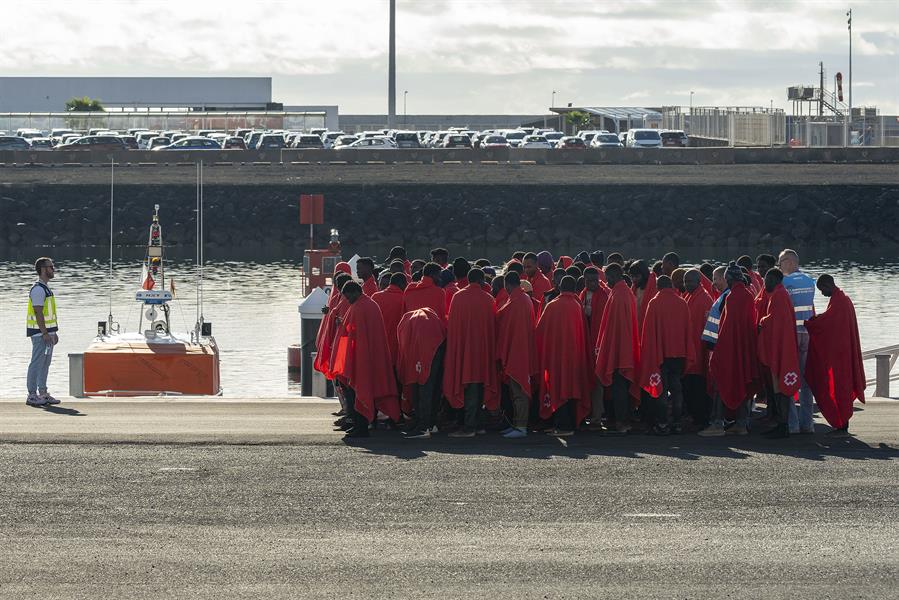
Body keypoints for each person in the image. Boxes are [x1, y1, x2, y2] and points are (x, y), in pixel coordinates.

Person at [329, 281, 401, 439]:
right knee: (364, 390)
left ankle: (361, 427)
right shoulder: (370, 305)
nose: (348, 300)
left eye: (348, 296)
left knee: (358, 391)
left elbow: (354, 334)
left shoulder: (360, 307)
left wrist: (341, 326)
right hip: (371, 356)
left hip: (362, 358)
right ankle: (363, 424)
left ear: (355, 292)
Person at [804, 275, 866, 437]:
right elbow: (831, 320)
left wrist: (812, 323)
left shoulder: (840, 301)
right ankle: (841, 424)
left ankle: (842, 426)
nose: (822, 293)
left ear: (827, 284)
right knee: (839, 387)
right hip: (842, 351)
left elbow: (829, 323)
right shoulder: (841, 299)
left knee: (841, 388)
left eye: (822, 290)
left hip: (841, 355)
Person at [702, 263, 759, 436]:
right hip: (745, 347)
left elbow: (727, 328)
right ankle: (741, 424)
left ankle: (718, 424)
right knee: (742, 381)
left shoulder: (732, 297)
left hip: (730, 348)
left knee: (720, 382)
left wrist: (718, 351)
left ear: (728, 278)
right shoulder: (749, 295)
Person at [443, 268, 498, 438]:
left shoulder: (458, 297)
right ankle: (477, 424)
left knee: (471, 387)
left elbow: (452, 325)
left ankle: (469, 427)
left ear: (467, 280)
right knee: (479, 385)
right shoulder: (489, 299)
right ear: (481, 282)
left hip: (463, 349)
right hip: (483, 351)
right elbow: (493, 327)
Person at [536, 276, 591, 436]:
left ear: (560, 287)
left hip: (557, 356)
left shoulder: (552, 306)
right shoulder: (577, 305)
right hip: (574, 356)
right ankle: (572, 424)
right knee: (572, 388)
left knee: (559, 388)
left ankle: (563, 427)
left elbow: (539, 331)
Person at [638, 275, 693, 435]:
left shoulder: (654, 303)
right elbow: (687, 330)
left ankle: (662, 423)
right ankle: (677, 422)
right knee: (677, 389)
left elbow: (647, 332)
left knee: (661, 390)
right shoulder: (682, 302)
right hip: (679, 354)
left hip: (661, 354)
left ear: (658, 287)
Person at [594, 263, 640, 434]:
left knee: (619, 387)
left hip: (620, 350)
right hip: (624, 348)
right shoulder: (624, 291)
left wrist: (609, 350)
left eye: (607, 279)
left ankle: (622, 422)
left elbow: (615, 328)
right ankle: (623, 421)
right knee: (622, 387)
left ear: (613, 276)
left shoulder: (619, 294)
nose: (607, 282)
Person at [757, 268, 802, 439]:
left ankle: (782, 425)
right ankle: (781, 423)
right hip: (783, 347)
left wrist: (762, 321)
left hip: (780, 349)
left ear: (775, 279)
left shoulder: (778, 296)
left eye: (767, 279)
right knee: (779, 389)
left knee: (780, 389)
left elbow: (775, 319)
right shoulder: (780, 294)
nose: (764, 283)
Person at [496, 271, 539, 439]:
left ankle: (521, 426)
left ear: (507, 285)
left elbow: (502, 320)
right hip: (522, 349)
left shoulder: (514, 301)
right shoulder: (524, 299)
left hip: (516, 351)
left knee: (518, 390)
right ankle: (517, 423)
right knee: (518, 390)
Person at [778, 249, 816, 434]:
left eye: (781, 262)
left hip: (793, 335)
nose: (779, 266)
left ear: (791, 262)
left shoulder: (784, 282)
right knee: (806, 382)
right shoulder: (811, 281)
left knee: (789, 377)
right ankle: (808, 424)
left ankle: (793, 425)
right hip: (808, 334)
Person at [396, 308, 447, 439]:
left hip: (424, 346)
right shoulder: (429, 318)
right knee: (432, 385)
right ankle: (430, 423)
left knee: (422, 385)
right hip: (437, 344)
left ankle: (423, 426)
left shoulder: (408, 321)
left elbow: (404, 345)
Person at [25, 257, 60, 406]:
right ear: (43, 269)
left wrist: (53, 332)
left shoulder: (46, 288)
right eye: (51, 267)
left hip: (47, 334)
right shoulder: (38, 289)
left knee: (45, 363)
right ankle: (32, 395)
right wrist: (45, 333)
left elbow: (48, 314)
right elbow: (38, 313)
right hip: (40, 334)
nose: (53, 269)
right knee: (36, 363)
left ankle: (43, 393)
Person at [683, 269, 714, 429]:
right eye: (685, 281)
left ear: (698, 281)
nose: (687, 284)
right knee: (690, 387)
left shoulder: (704, 299)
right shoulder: (690, 296)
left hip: (699, 352)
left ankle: (700, 419)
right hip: (690, 351)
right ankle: (695, 417)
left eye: (690, 281)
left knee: (698, 388)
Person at [580, 267, 609, 429]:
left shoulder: (604, 296)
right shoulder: (583, 294)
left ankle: (597, 417)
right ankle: (588, 414)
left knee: (597, 381)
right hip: (587, 342)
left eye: (594, 281)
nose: (591, 284)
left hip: (597, 344)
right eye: (588, 281)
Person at [371, 272, 407, 369]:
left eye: (385, 285)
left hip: (378, 351)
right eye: (381, 285)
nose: (382, 287)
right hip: (398, 351)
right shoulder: (404, 298)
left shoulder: (375, 297)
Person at [628, 259, 657, 336]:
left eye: (637, 276)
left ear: (644, 275)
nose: (634, 280)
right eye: (632, 276)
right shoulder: (634, 289)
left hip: (651, 331)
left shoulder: (656, 289)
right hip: (637, 330)